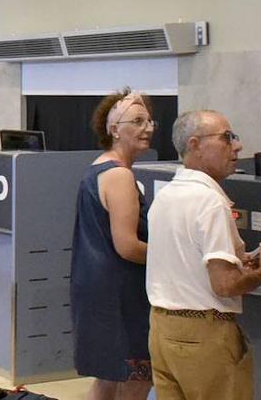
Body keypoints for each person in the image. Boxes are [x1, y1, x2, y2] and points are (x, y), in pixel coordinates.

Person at [146, 110, 261, 400]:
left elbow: (187, 264)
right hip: (204, 335)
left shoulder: (165, 196)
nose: (237, 146)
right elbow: (224, 285)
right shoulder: (210, 201)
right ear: (194, 145)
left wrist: (240, 263)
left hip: (161, 330)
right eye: (226, 138)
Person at [70, 89, 155, 400]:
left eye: (149, 120)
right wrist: (174, 257)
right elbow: (128, 246)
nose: (147, 127)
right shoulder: (118, 176)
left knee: (107, 380)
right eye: (137, 120)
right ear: (114, 129)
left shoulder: (100, 168)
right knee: (137, 379)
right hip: (120, 296)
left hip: (98, 290)